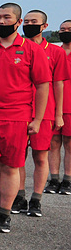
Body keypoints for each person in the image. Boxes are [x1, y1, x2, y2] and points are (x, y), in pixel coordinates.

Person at [0, 3, 50, 233]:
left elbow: (43, 86)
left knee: (9, 166)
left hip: (16, 117)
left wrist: (37, 119)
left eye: (7, 18)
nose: (1, 22)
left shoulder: (31, 50)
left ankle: (4, 213)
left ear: (18, 22)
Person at [14, 10, 65, 216]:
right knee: (17, 158)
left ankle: (36, 199)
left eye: (34, 22)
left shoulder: (55, 52)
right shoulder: (19, 48)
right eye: (26, 21)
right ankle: (19, 196)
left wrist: (59, 114)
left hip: (44, 112)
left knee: (40, 157)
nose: (29, 24)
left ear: (44, 26)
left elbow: (58, 84)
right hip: (20, 110)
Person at [48, 19, 71, 195]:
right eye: (62, 29)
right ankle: (54, 178)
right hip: (53, 104)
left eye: (69, 29)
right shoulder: (55, 51)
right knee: (53, 143)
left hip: (70, 105)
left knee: (69, 144)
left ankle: (67, 179)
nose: (65, 31)